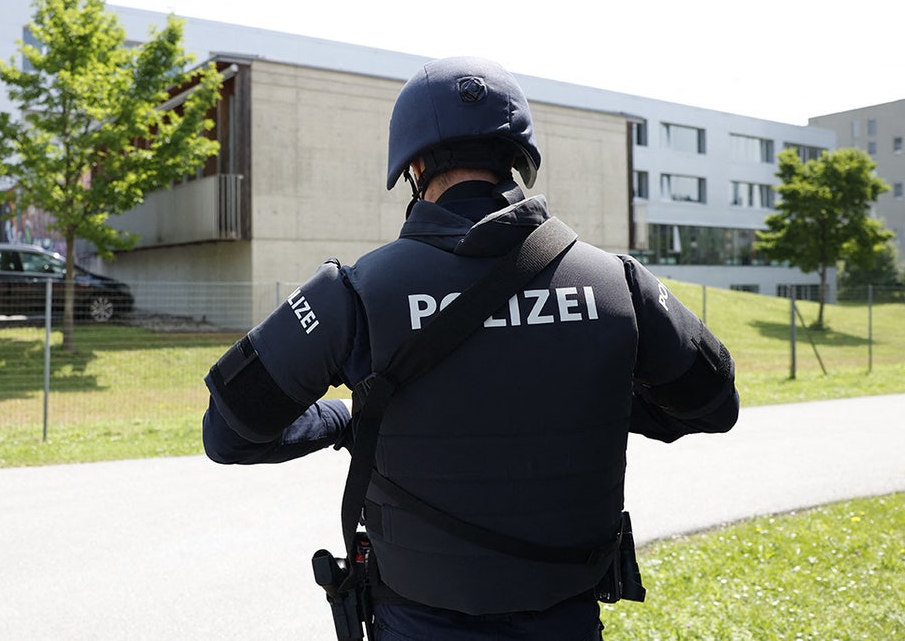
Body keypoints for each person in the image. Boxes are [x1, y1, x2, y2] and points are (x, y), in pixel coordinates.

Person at [202, 56, 739, 640]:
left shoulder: (351, 294)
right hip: (570, 622)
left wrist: (342, 419)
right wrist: (581, 404)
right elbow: (714, 406)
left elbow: (228, 434)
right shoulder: (619, 284)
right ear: (517, 158)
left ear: (413, 164)